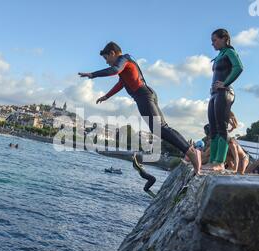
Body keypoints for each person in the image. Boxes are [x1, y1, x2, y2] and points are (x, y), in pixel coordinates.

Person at [79, 42, 201, 174]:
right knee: (163, 127)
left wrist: (93, 74)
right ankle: (191, 151)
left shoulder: (122, 59)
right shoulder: (125, 63)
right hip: (147, 94)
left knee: (159, 128)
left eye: (106, 59)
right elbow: (122, 82)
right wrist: (107, 96)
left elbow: (115, 71)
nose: (107, 63)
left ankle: (190, 151)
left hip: (143, 96)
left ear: (112, 53)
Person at [203, 29, 244, 172]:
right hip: (215, 94)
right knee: (213, 129)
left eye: (215, 40)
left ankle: (220, 162)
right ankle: (212, 161)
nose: (212, 43)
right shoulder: (220, 55)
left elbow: (239, 67)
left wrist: (225, 83)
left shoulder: (230, 52)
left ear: (224, 38)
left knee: (222, 127)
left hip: (225, 93)